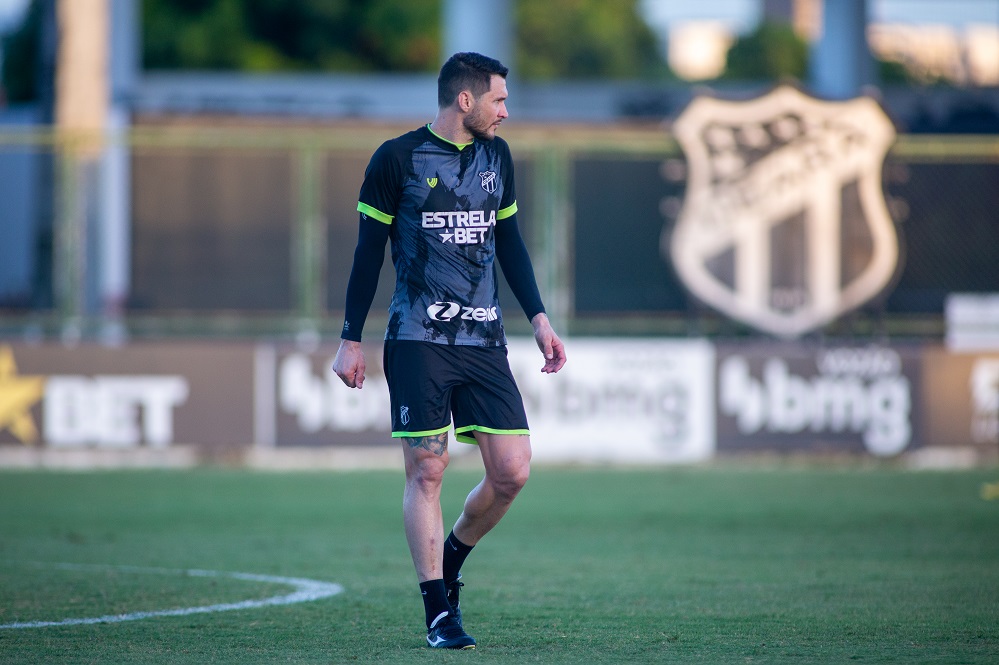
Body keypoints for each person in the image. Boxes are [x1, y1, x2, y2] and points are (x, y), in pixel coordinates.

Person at [332, 51, 566, 650]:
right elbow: (367, 254)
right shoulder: (396, 158)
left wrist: (538, 319)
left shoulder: (497, 157)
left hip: (484, 338)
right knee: (427, 467)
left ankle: (453, 558)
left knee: (512, 472)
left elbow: (508, 241)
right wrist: (350, 336)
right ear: (466, 100)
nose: (506, 112)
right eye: (499, 100)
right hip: (417, 337)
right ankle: (439, 612)